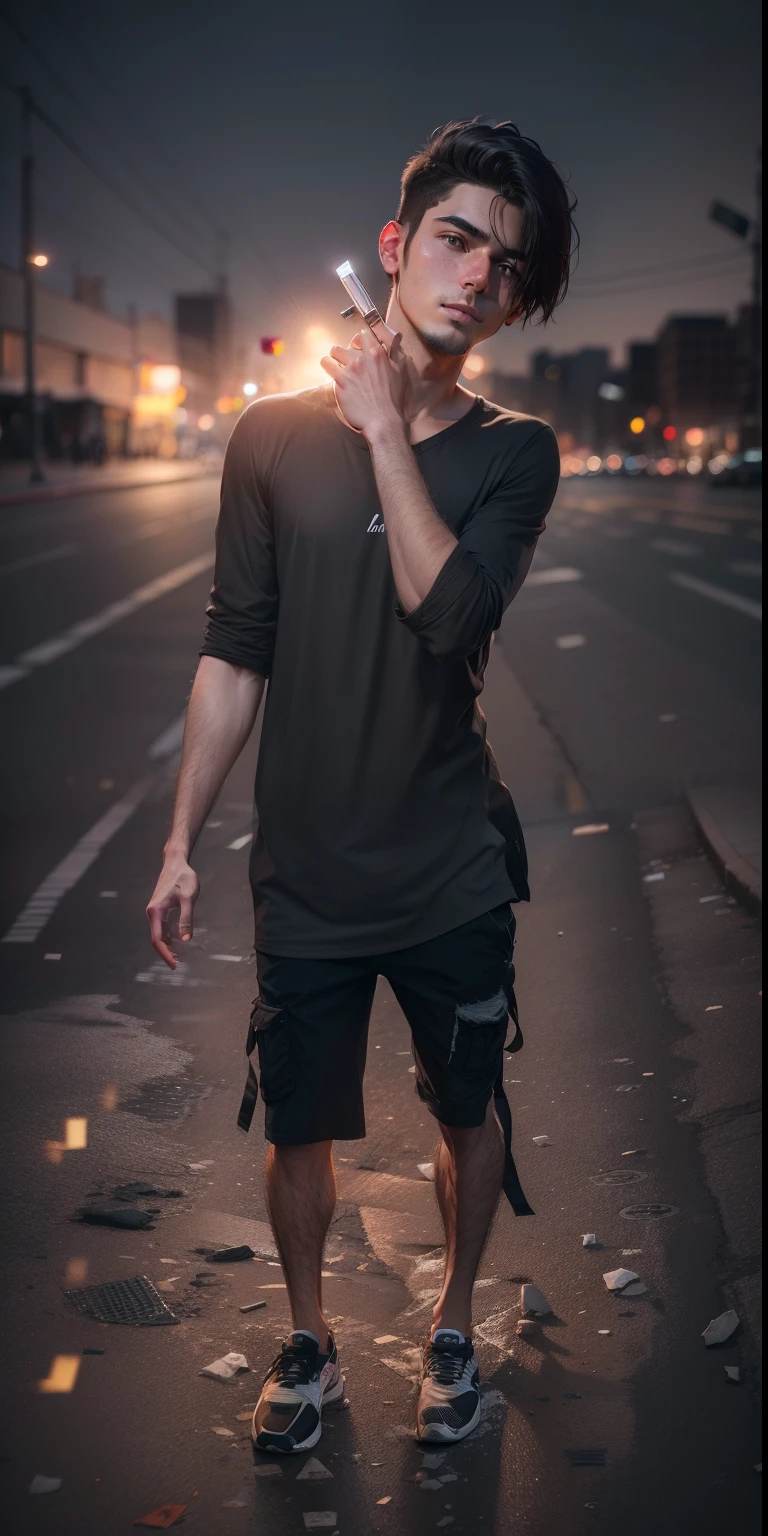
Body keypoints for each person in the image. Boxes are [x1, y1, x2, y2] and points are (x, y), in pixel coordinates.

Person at [146, 117, 576, 1452]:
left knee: (467, 1108)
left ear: (516, 297)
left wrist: (388, 430)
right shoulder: (270, 438)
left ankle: (452, 1326)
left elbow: (449, 617)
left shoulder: (517, 452)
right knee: (299, 1131)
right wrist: (176, 844)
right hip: (311, 872)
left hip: (451, 860)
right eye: (455, 238)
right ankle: (312, 1340)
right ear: (396, 247)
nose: (473, 275)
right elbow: (236, 647)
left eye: (504, 264)